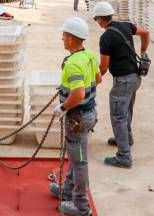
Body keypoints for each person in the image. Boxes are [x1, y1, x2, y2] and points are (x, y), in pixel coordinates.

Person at [49, 17, 99, 216]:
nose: (62, 39)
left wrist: (63, 107)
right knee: (75, 155)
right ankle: (68, 190)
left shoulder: (72, 64)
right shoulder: (89, 56)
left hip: (77, 118)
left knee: (80, 162)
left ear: (70, 38)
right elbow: (98, 79)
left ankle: (81, 206)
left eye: (63, 35)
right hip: (89, 113)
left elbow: (78, 94)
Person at [91, 1, 150, 169]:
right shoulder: (125, 26)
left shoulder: (106, 37)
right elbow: (145, 33)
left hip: (123, 81)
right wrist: (144, 51)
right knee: (126, 111)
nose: (98, 23)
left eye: (97, 20)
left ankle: (124, 156)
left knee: (118, 116)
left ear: (101, 19)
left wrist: (92, 82)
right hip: (135, 78)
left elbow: (103, 67)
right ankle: (126, 138)